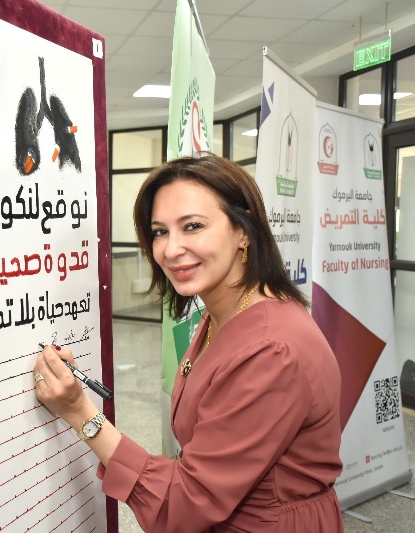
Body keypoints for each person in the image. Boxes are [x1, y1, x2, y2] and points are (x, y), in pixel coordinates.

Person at [34, 153, 344, 532]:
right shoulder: (225, 314)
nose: (170, 249)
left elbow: (185, 503)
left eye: (193, 226)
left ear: (244, 230)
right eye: (160, 232)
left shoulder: (270, 350)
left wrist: (80, 412)